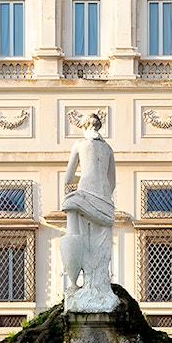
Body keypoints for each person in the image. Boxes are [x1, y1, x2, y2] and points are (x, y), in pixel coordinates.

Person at [61, 114, 120, 313]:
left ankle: (81, 285)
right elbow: (112, 181)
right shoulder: (108, 148)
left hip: (85, 191)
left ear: (84, 127)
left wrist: (82, 176)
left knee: (84, 240)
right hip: (104, 196)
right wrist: (102, 192)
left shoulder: (79, 144)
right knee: (101, 245)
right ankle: (100, 289)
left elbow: (69, 177)